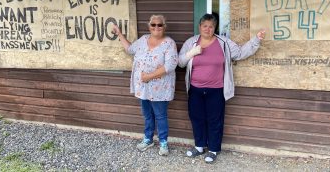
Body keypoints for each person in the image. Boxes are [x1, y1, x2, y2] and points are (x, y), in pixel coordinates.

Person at [178, 13, 265, 163]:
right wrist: (192, 53)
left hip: (216, 89)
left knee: (215, 120)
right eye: (204, 26)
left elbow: (240, 53)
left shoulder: (223, 42)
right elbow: (180, 63)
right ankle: (199, 146)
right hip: (195, 89)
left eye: (211, 26)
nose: (207, 29)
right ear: (200, 27)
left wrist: (256, 40)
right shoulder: (191, 42)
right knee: (197, 118)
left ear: (215, 28)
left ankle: (212, 149)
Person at [112, 15, 178, 156]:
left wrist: (148, 76)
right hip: (143, 88)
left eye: (159, 25)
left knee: (160, 116)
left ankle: (163, 142)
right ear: (149, 26)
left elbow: (171, 65)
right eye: (153, 24)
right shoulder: (143, 40)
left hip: (160, 88)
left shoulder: (169, 43)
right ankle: (148, 139)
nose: (156, 27)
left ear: (164, 27)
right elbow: (130, 49)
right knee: (148, 115)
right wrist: (119, 33)